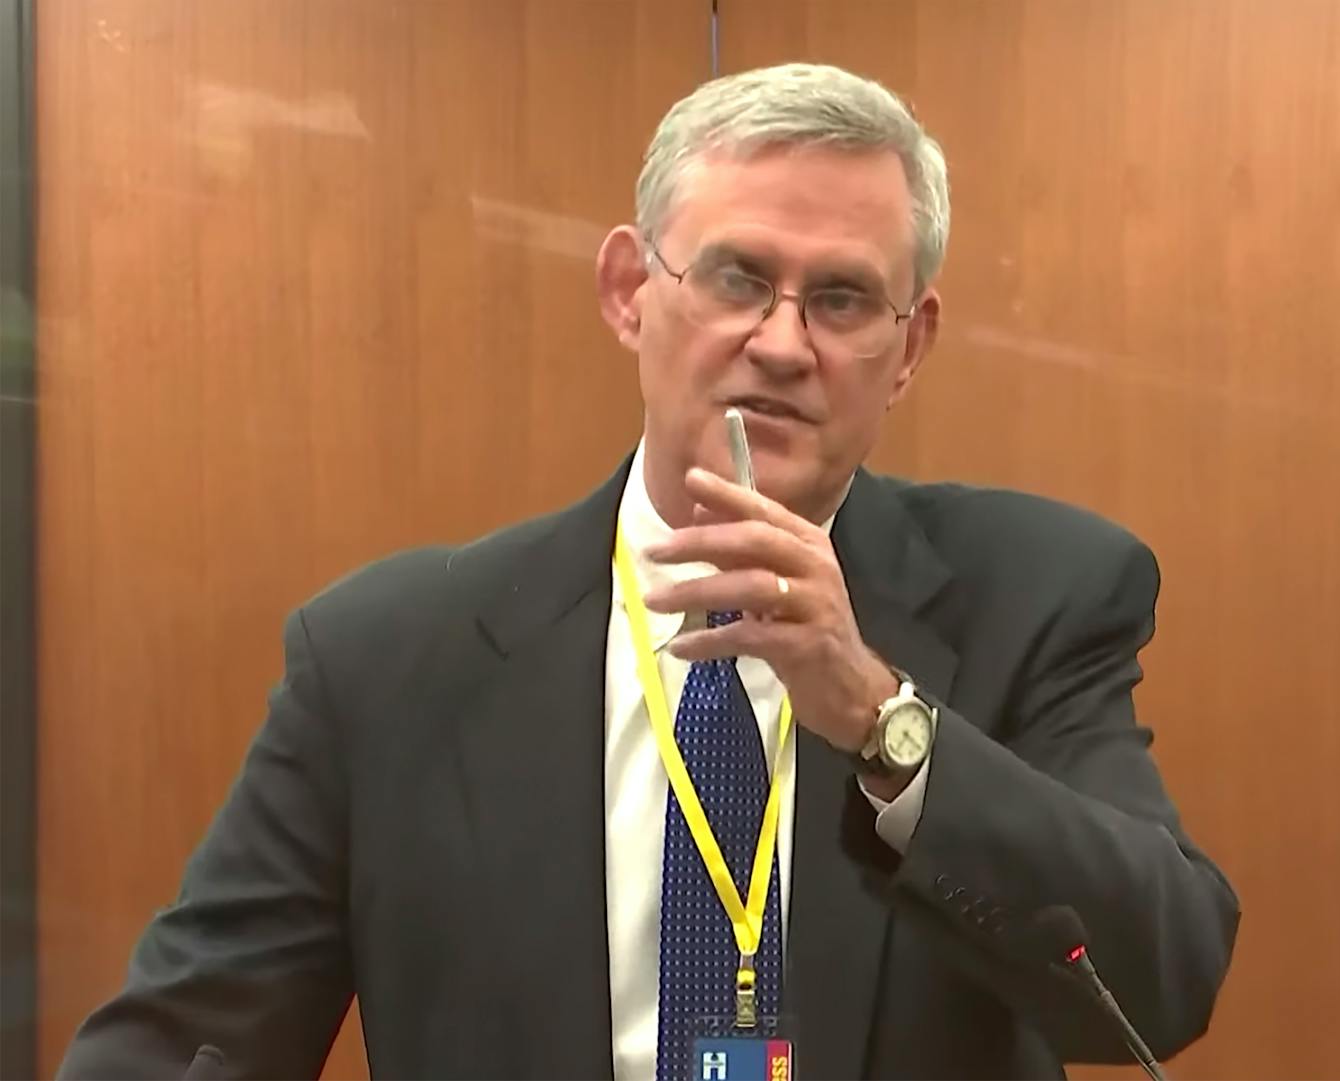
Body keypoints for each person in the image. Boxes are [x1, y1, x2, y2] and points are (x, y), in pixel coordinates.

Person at [59, 63, 1238, 1080]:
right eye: (735, 278)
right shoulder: (384, 658)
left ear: (908, 346)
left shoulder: (1037, 597)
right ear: (630, 291)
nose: (781, 343)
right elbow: (191, 1039)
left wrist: (882, 719)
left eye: (839, 299)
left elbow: (1161, 980)